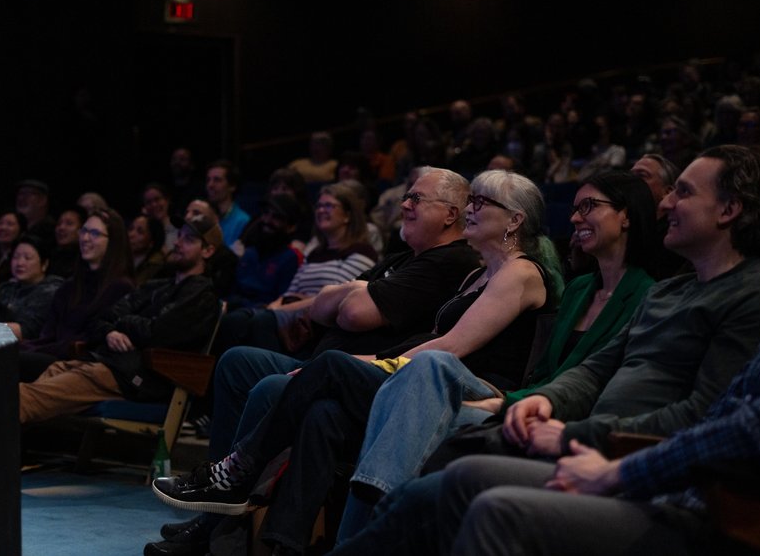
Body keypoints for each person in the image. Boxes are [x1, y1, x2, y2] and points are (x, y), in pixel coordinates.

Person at [328, 145, 760, 556]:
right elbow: (597, 370)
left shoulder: (758, 295)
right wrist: (547, 400)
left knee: (446, 470)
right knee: (419, 459)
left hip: (635, 464)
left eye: (683, 192)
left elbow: (706, 414)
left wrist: (572, 429)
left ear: (728, 210)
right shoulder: (671, 292)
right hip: (576, 433)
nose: (664, 204)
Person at [151, 170, 561, 556]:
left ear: (514, 220)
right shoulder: (479, 276)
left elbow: (449, 348)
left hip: (465, 392)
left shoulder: (520, 272)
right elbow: (428, 341)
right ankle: (283, 545)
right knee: (324, 414)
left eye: (481, 201)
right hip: (429, 378)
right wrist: (366, 360)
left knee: (328, 365)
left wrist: (360, 364)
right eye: (469, 200)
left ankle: (235, 472)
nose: (470, 208)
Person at [333, 171, 659, 542]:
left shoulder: (648, 297)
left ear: (627, 215)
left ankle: (369, 523)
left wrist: (504, 403)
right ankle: (367, 527)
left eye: (589, 206)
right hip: (524, 402)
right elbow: (546, 372)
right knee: (390, 396)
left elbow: (595, 383)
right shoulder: (580, 288)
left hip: (553, 417)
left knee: (429, 367)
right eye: (574, 208)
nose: (574, 218)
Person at [19, 216, 223, 422]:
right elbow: (101, 319)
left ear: (208, 251)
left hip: (139, 377)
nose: (177, 243)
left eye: (188, 240)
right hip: (112, 365)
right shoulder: (157, 287)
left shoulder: (201, 297)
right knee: (51, 374)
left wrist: (123, 323)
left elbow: (156, 332)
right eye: (179, 237)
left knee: (28, 397)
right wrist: (110, 332)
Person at [216, 182, 378, 357]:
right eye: (320, 205)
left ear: (347, 215)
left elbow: (342, 296)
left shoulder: (362, 251)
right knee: (234, 320)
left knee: (262, 321)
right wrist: (278, 304)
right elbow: (292, 290)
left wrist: (281, 309)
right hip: (295, 311)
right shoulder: (315, 253)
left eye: (329, 205)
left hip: (321, 320)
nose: (321, 210)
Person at [18, 209, 134, 381]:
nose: (85, 238)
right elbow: (48, 335)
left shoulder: (120, 288)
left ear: (113, 241)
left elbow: (89, 341)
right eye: (84, 231)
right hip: (52, 354)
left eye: (94, 233)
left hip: (78, 363)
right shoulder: (70, 286)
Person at [0, 234, 63, 341]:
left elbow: (25, 331)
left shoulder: (50, 291)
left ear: (44, 264)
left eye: (27, 258)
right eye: (16, 257)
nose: (19, 263)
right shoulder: (7, 288)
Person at [226, 194, 303, 309]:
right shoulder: (249, 252)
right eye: (266, 213)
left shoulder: (290, 258)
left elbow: (280, 302)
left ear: (291, 227)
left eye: (276, 217)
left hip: (260, 316)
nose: (267, 220)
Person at [206, 159, 251, 250]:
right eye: (208, 180)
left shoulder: (242, 221)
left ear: (232, 186)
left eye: (217, 180)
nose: (210, 185)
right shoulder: (205, 217)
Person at [0, 209, 28, 284]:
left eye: (10, 224)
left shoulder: (20, 260)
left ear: (21, 231)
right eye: (0, 223)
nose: (3, 228)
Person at [47, 205, 86, 278]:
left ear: (81, 230)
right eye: (59, 223)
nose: (61, 228)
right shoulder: (50, 256)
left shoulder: (84, 260)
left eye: (69, 223)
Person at [129, 213, 167, 286]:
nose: (131, 234)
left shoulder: (155, 266)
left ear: (152, 242)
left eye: (140, 232)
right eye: (131, 229)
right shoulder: (121, 256)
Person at [141, 182, 180, 255]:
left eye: (157, 199)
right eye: (148, 202)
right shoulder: (143, 234)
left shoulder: (179, 229)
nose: (154, 205)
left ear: (167, 200)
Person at [15, 179, 56, 244]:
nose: (21, 198)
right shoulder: (18, 232)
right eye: (20, 194)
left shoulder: (51, 232)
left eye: (27, 194)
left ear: (43, 200)